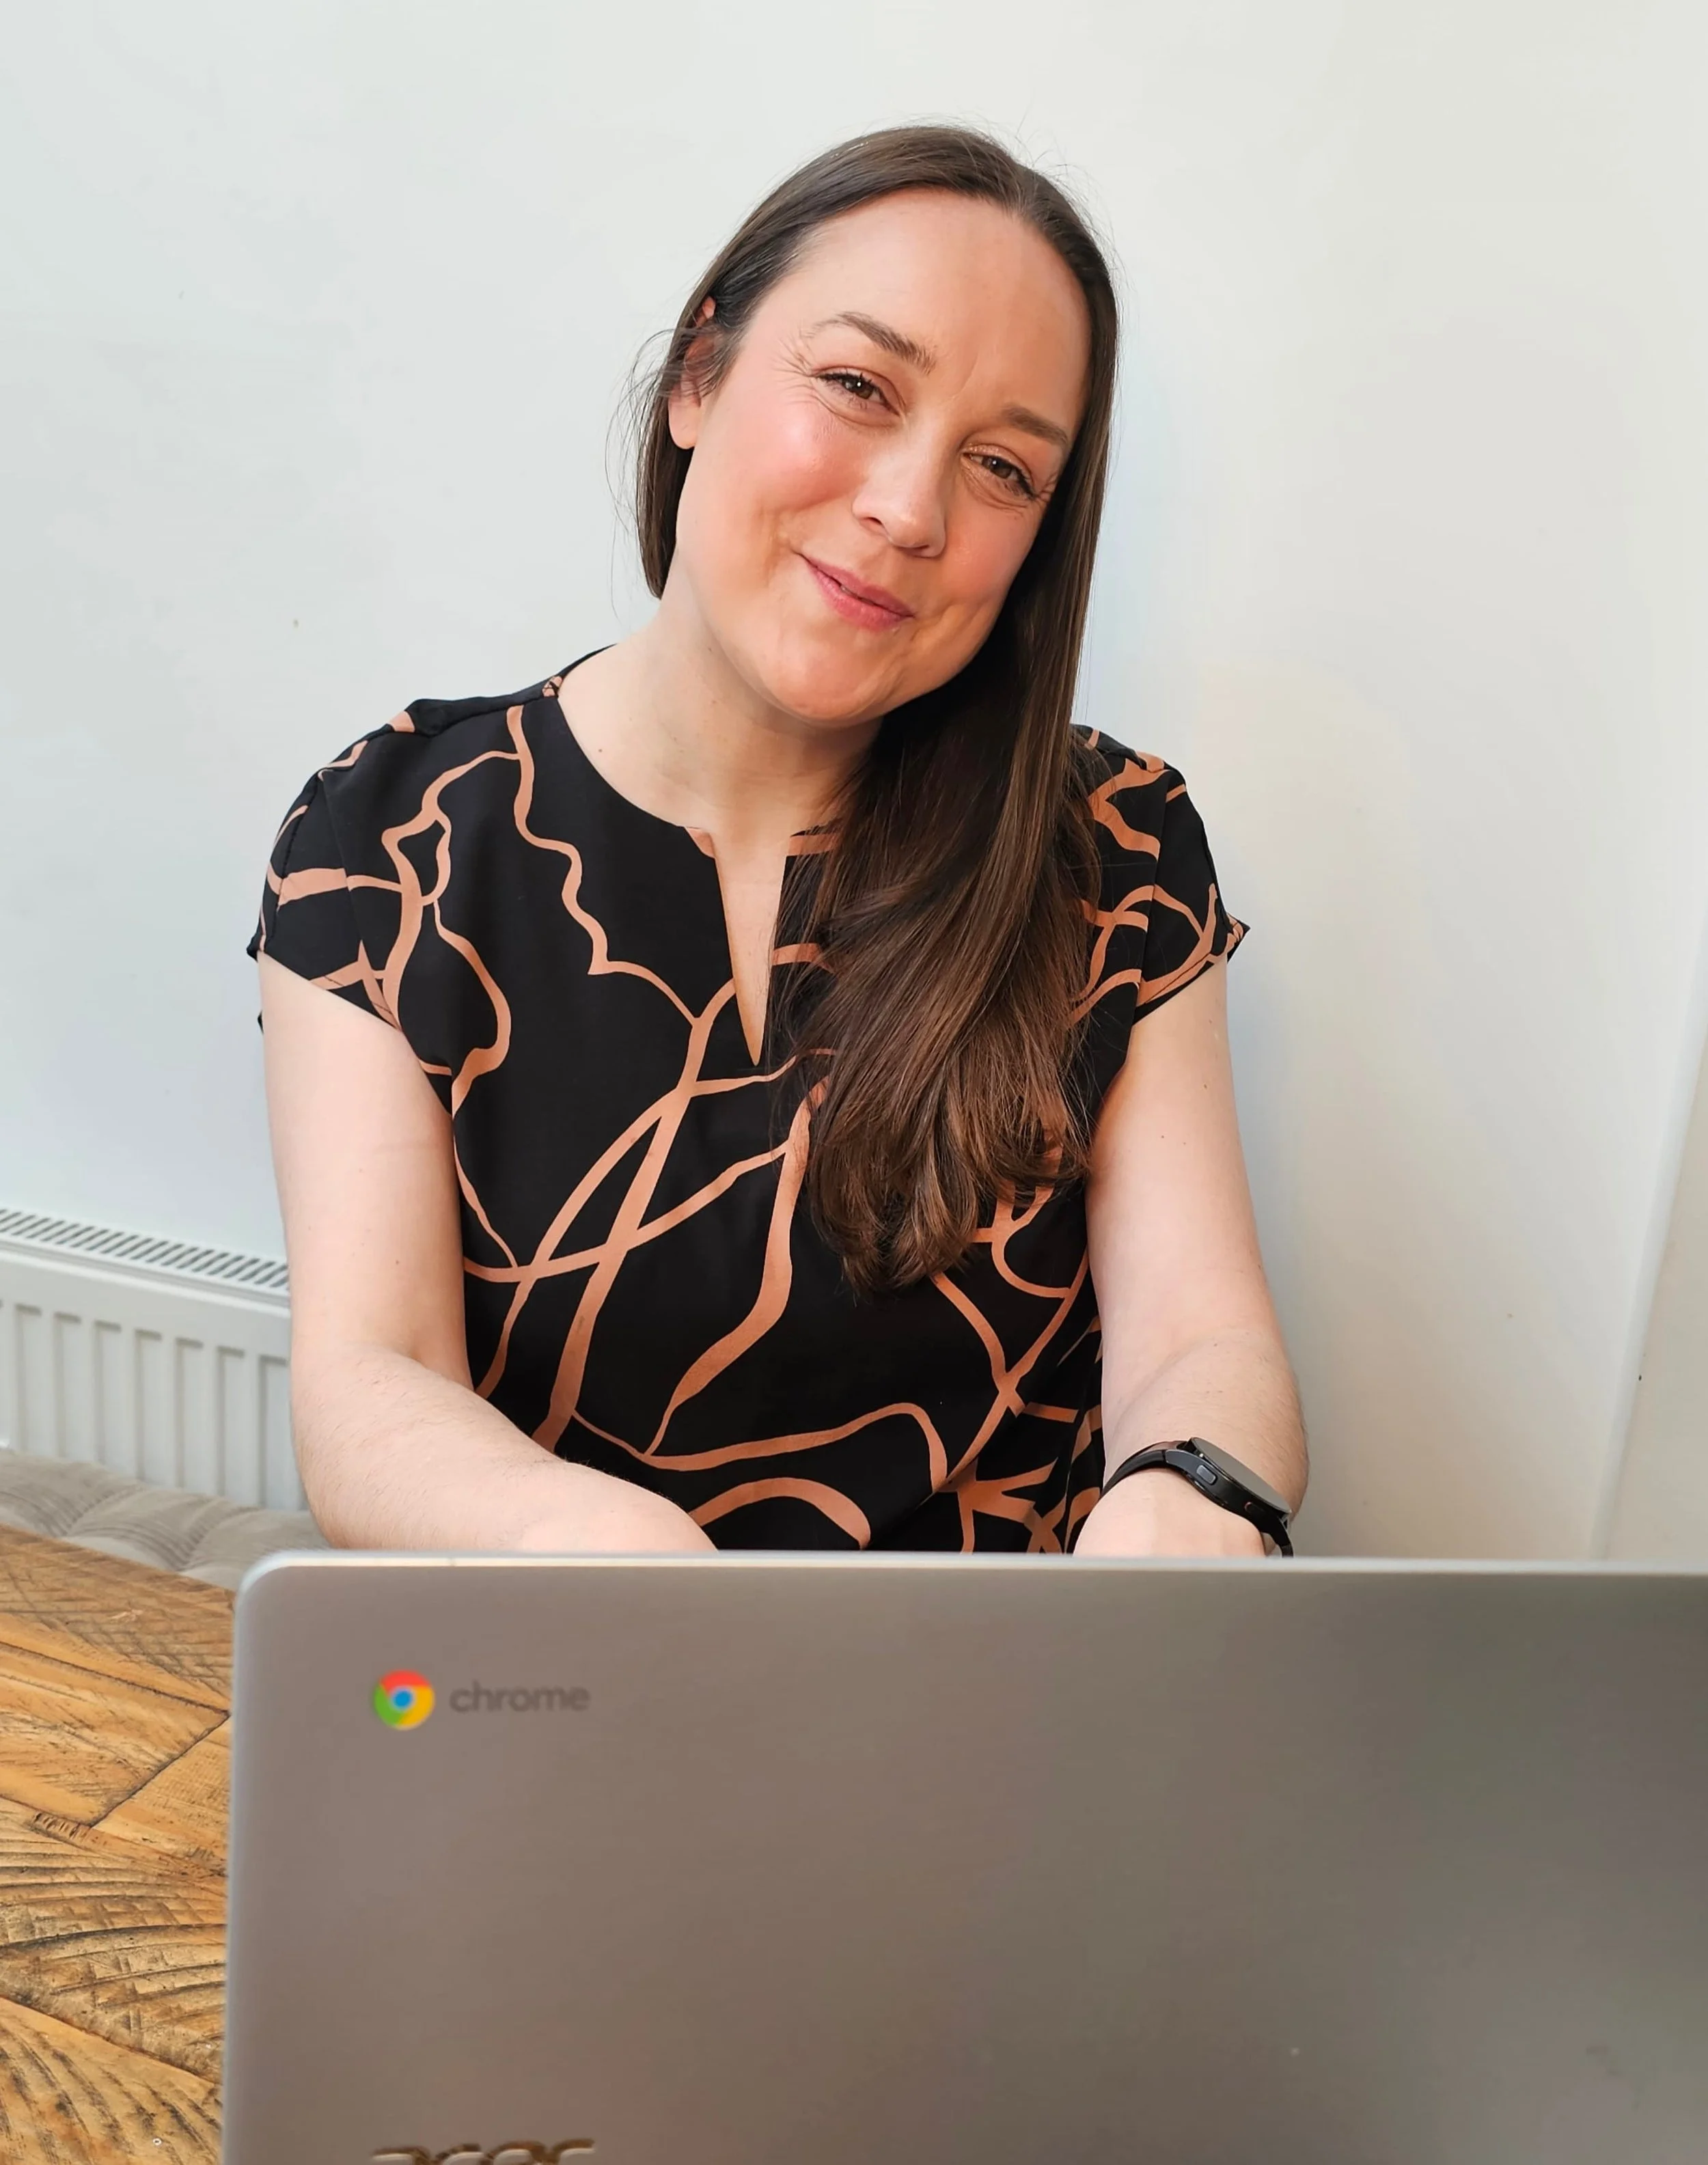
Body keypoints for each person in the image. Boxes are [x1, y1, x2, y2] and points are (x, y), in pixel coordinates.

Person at [251, 124, 1305, 1560]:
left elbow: (1197, 1334)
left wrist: (1190, 1500)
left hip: (1005, 1721)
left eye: (1000, 468)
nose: (906, 510)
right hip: (576, 1689)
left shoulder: (1116, 851)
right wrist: (648, 1578)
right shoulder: (388, 840)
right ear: (698, 375)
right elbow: (372, 1382)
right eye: (859, 387)